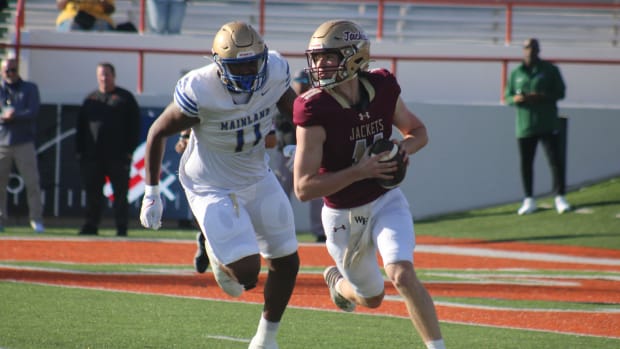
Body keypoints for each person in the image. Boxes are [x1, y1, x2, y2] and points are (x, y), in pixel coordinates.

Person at [139, 21, 300, 349]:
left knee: (287, 260)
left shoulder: (275, 71)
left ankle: (265, 339)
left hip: (256, 175)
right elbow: (157, 132)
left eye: (252, 62)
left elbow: (296, 111)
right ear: (219, 64)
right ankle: (212, 247)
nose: (247, 71)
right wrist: (152, 193)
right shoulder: (200, 88)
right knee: (246, 277)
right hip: (209, 183)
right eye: (236, 65)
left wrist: (298, 141)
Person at [293, 20, 446, 349]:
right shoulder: (313, 108)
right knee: (372, 297)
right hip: (341, 216)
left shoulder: (383, 88)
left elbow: (418, 133)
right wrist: (361, 170)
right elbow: (303, 187)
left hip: (384, 200)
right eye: (316, 58)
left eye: (327, 57)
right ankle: (338, 283)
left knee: (402, 274)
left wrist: (398, 152)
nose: (319, 66)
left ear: (354, 57)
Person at [505, 38, 570, 215]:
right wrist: (516, 99)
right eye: (527, 47)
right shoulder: (516, 73)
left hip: (547, 123)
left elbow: (561, 92)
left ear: (539, 49)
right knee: (526, 163)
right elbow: (507, 96)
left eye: (533, 47)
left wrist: (541, 96)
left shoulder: (550, 70)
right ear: (523, 49)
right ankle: (529, 199)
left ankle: (560, 196)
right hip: (525, 126)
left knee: (555, 161)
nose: (530, 50)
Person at [75, 62, 140, 236]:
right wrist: (80, 152)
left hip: (118, 156)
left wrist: (129, 152)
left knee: (120, 194)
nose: (104, 78)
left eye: (107, 74)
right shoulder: (91, 100)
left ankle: (121, 227)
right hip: (93, 156)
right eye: (101, 75)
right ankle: (91, 225)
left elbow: (135, 126)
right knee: (93, 193)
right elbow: (81, 128)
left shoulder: (125, 98)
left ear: (114, 76)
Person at [272, 69, 326, 243]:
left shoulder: (316, 101)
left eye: (305, 81)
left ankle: (320, 231)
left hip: (310, 152)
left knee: (316, 192)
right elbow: (280, 124)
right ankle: (280, 231)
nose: (302, 84)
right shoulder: (284, 100)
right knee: (281, 193)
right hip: (286, 152)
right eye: (298, 81)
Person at [0, 58, 45, 233]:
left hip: (24, 142)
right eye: (6, 71)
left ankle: (36, 219)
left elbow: (33, 111)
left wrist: (15, 115)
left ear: (17, 70)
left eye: (12, 70)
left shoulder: (29, 88)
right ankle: (1, 219)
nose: (10, 74)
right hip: (2, 141)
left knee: (32, 182)